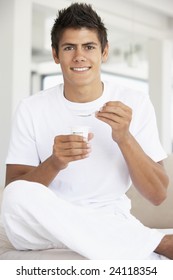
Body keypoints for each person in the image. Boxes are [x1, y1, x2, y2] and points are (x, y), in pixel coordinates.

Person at [1, 2, 173, 260]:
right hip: (44, 226)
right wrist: (54, 162)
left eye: (89, 47)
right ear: (56, 54)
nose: (79, 56)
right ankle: (155, 243)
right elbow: (15, 189)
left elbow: (158, 195)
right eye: (69, 47)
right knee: (15, 194)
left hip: (108, 217)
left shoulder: (135, 102)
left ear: (104, 52)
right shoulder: (31, 108)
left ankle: (110, 239)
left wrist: (124, 138)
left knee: (100, 225)